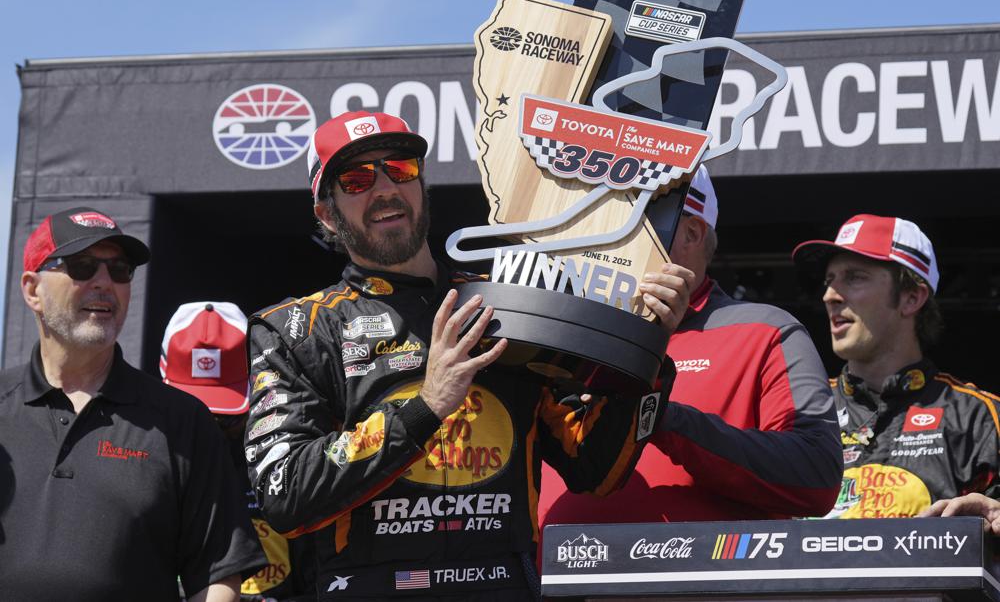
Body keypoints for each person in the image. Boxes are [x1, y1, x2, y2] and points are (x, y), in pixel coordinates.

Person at [245, 111, 663, 601]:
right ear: (327, 212)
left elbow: (595, 468)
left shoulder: (506, 307)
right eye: (356, 179)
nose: (383, 189)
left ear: (421, 184)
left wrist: (648, 354)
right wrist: (426, 407)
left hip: (502, 586)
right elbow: (284, 493)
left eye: (399, 169)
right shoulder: (297, 329)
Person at [539, 167, 843, 526]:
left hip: (695, 580)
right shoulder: (557, 330)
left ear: (692, 232)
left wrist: (654, 414)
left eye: (627, 217)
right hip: (549, 579)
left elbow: (816, 477)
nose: (602, 232)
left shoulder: (765, 331)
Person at [0, 208, 266, 602]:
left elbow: (215, 574)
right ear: (32, 289)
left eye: (120, 270)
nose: (105, 282)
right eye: (83, 266)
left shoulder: (183, 421)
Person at [793, 214, 1000, 528]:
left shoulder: (978, 416)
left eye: (854, 277)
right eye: (829, 280)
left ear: (911, 298)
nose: (830, 295)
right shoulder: (799, 409)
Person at [161, 301, 315, 601]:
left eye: (224, 417)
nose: (209, 431)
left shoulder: (284, 454)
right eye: (195, 415)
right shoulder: (139, 458)